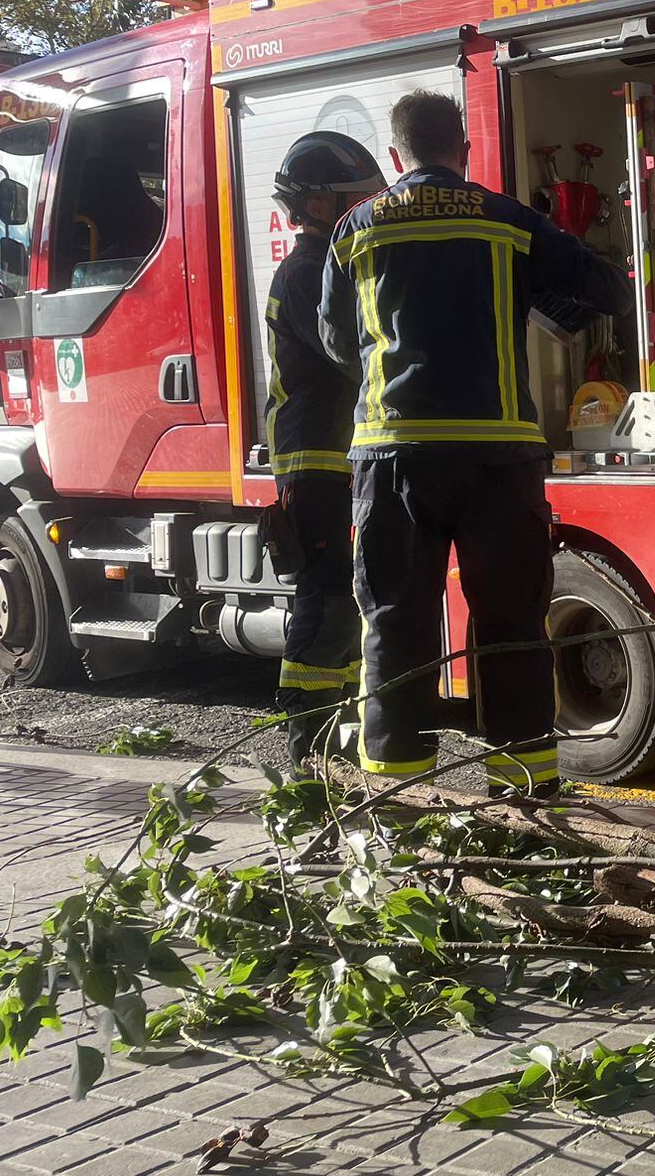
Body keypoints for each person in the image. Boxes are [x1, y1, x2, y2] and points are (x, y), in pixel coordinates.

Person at [319, 92, 627, 795]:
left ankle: (395, 799)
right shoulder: (508, 220)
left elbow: (337, 341)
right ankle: (527, 792)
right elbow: (605, 288)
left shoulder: (355, 229)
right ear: (462, 149)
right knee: (512, 622)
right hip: (498, 459)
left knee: (396, 622)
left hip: (392, 456)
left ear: (395, 157)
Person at [266, 131, 384, 769]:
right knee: (327, 600)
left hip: (335, 457)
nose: (369, 207)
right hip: (316, 460)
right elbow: (350, 355)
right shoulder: (310, 270)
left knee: (345, 597)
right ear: (317, 206)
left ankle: (330, 744)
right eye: (357, 198)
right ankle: (305, 750)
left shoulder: (325, 262)